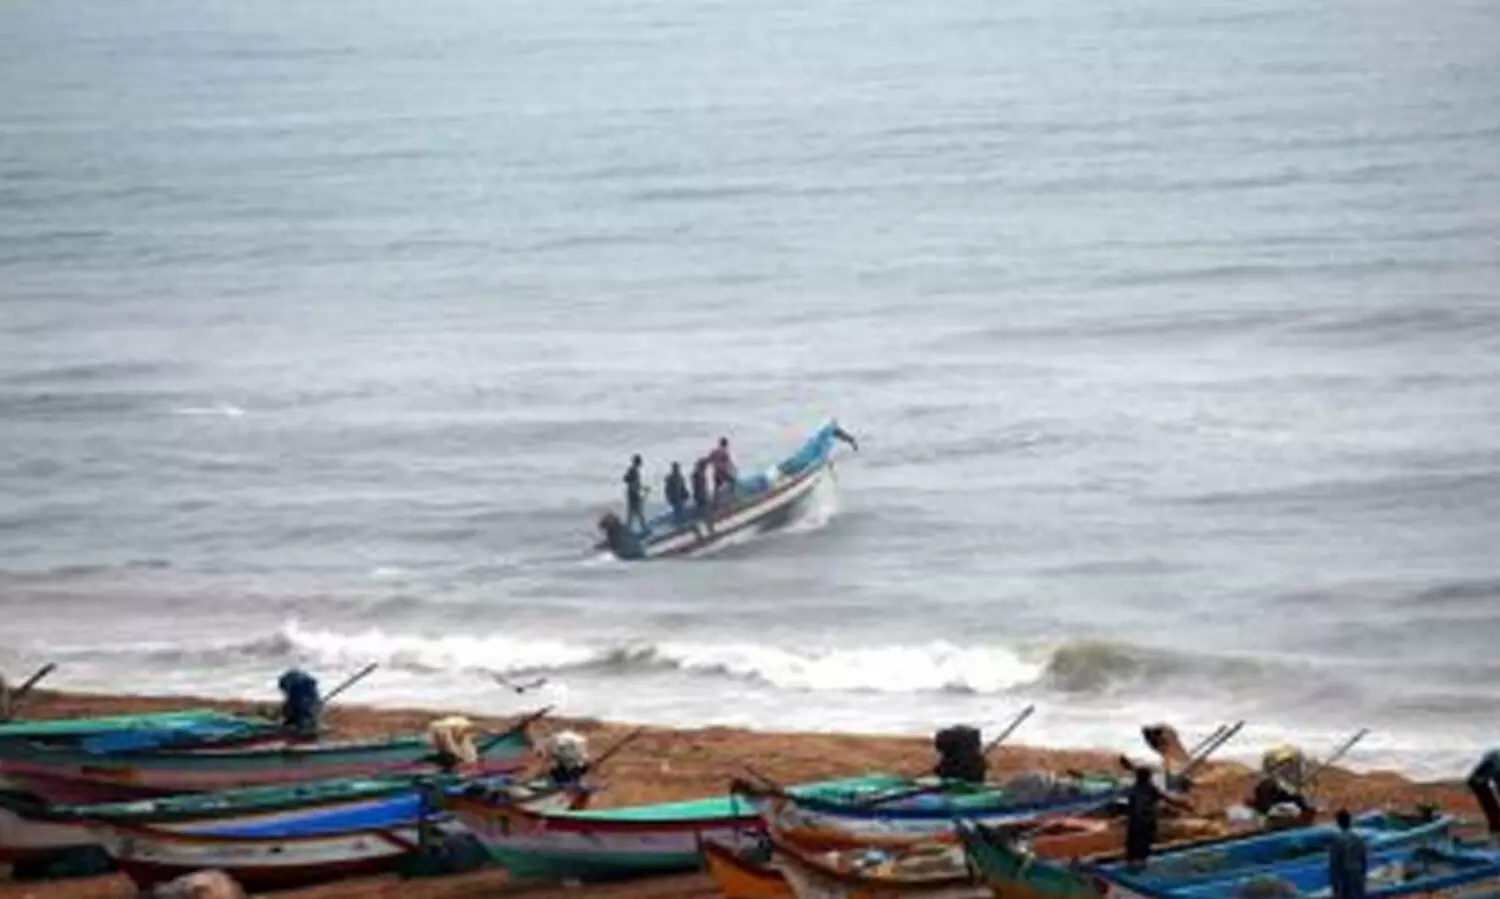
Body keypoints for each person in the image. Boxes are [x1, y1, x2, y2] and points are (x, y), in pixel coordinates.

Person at [1124, 765, 1191, 868]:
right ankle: (1141, 863)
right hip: (1146, 821)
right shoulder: (1151, 789)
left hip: (1134, 822)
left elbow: (1130, 806)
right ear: (1149, 777)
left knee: (1133, 844)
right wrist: (1185, 806)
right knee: (1143, 844)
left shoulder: (1133, 789)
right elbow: (1168, 799)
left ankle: (1133, 862)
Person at [1328, 808, 1368, 899]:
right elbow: (1364, 858)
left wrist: (1335, 885)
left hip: (1344, 877)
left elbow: (1334, 863)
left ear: (1338, 822)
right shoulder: (1358, 839)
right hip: (1357, 875)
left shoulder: (1337, 840)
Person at [276, 668, 322, 739]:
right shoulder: (296, 694)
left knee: (305, 711)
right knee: (303, 710)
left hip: (300, 686)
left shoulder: (306, 695)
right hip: (296, 686)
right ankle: (302, 727)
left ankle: (304, 728)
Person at [1467, 749, 1500, 837]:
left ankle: (1495, 825)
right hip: (1492, 763)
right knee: (1476, 782)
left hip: (1493, 762)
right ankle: (1495, 825)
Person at [622, 454, 647, 534]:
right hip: (634, 495)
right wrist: (638, 492)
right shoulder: (633, 471)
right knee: (637, 512)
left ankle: (629, 530)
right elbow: (633, 483)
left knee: (632, 513)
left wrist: (642, 488)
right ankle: (643, 528)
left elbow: (635, 483)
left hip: (632, 494)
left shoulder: (633, 470)